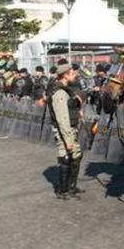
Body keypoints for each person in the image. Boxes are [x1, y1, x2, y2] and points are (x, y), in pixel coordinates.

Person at [48, 62, 85, 199]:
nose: (74, 75)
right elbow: (62, 119)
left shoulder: (65, 89)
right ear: (65, 75)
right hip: (65, 130)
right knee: (66, 157)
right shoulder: (60, 93)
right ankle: (63, 190)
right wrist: (68, 139)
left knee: (76, 156)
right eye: (72, 73)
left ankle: (71, 187)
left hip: (70, 128)